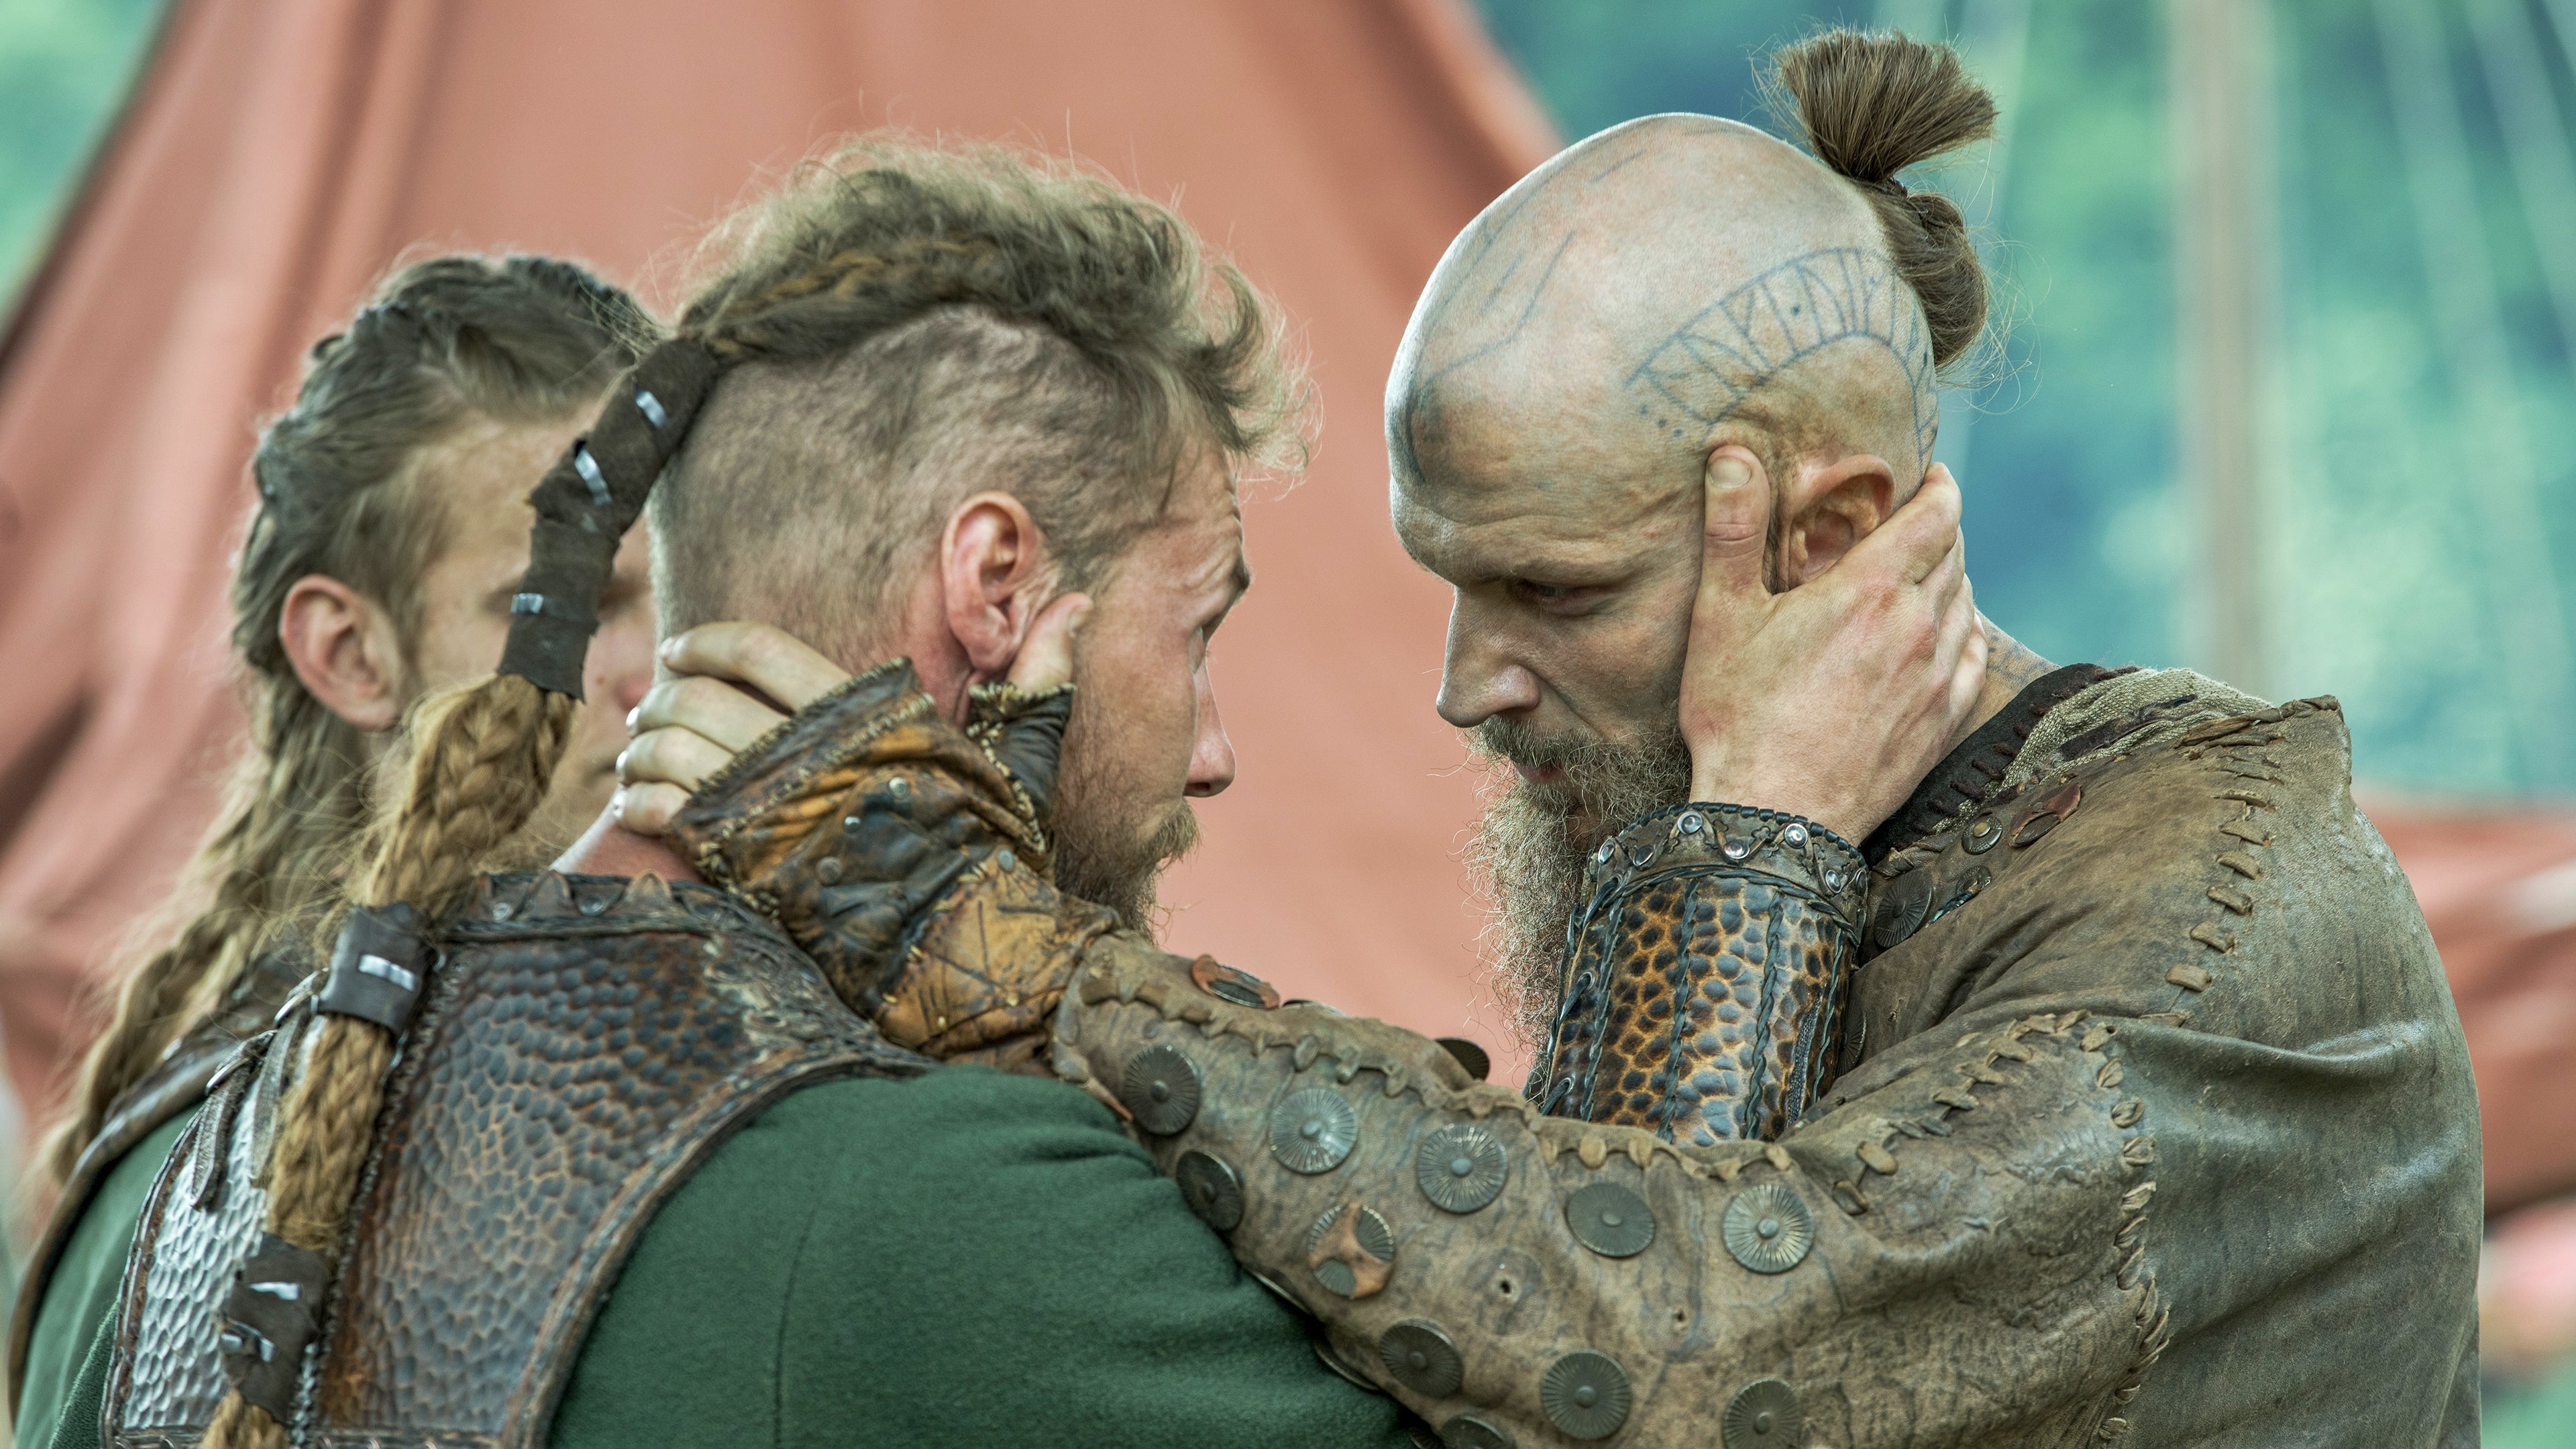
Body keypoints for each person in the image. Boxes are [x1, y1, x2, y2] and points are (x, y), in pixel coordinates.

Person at [620, 30, 2479, 1449]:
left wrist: (1001, 952)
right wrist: (1753, 832)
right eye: (1457, 585)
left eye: (1556, 592)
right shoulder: (1736, 832)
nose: (1468, 684)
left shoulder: (2224, 919)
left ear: (1828, 537)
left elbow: (1688, 1364)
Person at [65, 131, 1976, 1449]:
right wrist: (1759, 842)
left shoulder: (171, 1167)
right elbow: (1658, 1388)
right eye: (1197, 628)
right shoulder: (958, 1216)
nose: (1213, 744)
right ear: (996, 591)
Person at [6, 256, 658, 1449]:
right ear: (352, 656)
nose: (655, 669)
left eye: (688, 592)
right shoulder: (188, 1188)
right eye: (567, 603)